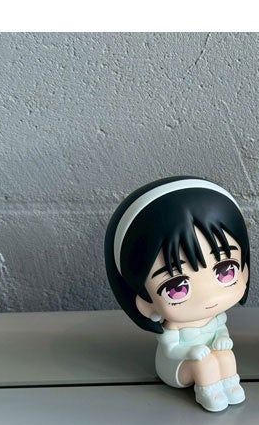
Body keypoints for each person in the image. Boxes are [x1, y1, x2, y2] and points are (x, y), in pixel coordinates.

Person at [104, 176, 250, 412]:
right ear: (144, 301)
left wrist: (221, 338)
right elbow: (171, 350)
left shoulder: (215, 319)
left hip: (208, 354)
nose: (207, 297)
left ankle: (230, 387)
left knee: (225, 356)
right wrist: (191, 351)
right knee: (204, 364)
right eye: (176, 287)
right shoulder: (173, 328)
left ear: (244, 269)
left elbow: (220, 332)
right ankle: (209, 393)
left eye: (226, 270)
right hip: (178, 365)